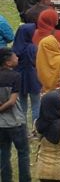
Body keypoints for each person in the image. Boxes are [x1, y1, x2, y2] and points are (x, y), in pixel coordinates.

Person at [0, 49, 28, 182]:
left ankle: (6, 179)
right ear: (7, 61)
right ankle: (24, 179)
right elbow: (12, 101)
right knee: (23, 153)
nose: (17, 57)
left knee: (4, 152)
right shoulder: (15, 76)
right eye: (14, 56)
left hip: (1, 124)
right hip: (16, 121)